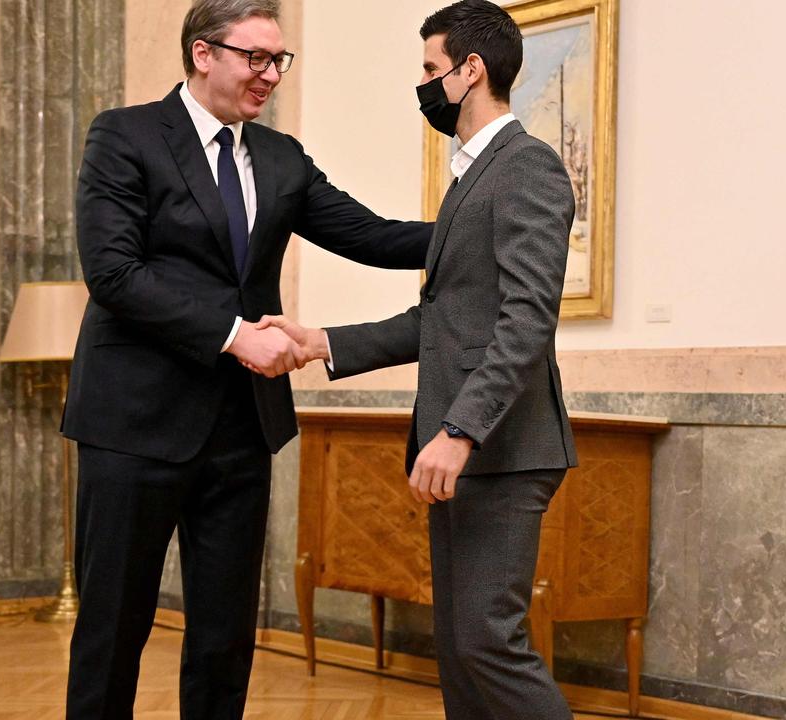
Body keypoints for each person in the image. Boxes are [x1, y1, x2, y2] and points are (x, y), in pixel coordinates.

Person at [59, 0, 433, 717]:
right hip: (132, 427)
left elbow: (375, 236)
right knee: (113, 631)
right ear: (204, 54)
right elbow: (113, 274)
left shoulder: (281, 157)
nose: (270, 76)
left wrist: (480, 217)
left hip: (240, 431)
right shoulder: (125, 136)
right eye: (255, 58)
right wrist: (236, 334)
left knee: (225, 638)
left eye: (279, 61)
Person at [256, 2, 578, 718]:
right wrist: (323, 342)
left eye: (431, 69)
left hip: (502, 449)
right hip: (471, 449)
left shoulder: (527, 167)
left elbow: (526, 321)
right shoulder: (473, 176)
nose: (425, 84)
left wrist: (460, 431)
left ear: (472, 70)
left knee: (490, 645)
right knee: (463, 650)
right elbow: (442, 321)